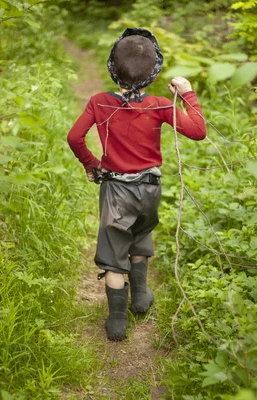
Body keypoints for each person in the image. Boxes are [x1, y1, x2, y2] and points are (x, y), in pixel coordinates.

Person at [67, 28, 207, 341]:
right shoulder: (159, 104)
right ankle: (140, 296)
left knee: (116, 252)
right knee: (141, 235)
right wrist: (186, 92)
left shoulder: (100, 103)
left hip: (117, 190)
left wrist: (92, 164)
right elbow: (198, 130)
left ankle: (118, 319)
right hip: (150, 189)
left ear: (112, 68)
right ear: (153, 74)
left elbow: (74, 138)